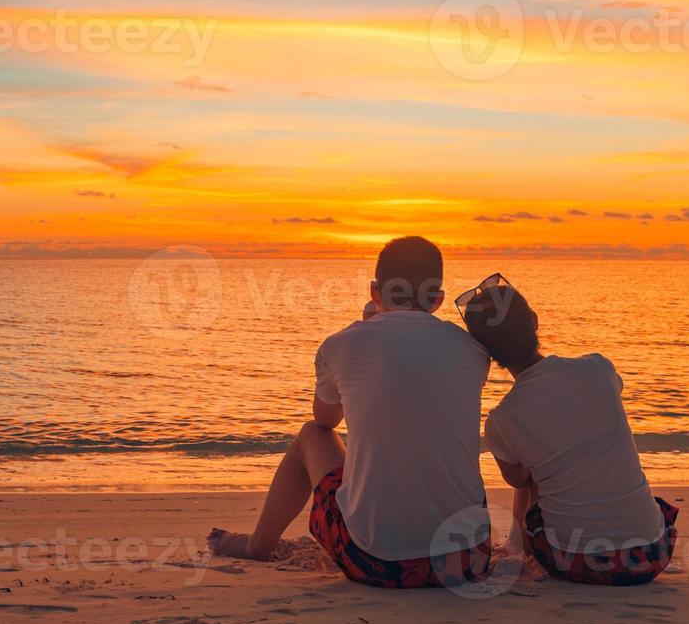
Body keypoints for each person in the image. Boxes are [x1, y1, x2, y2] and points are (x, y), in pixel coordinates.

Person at [210, 236, 494, 588]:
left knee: (310, 437)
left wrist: (363, 329)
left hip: (375, 563)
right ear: (437, 298)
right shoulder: (473, 349)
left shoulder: (342, 345)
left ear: (375, 291)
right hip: (468, 559)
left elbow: (326, 420)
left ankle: (257, 545)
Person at [457, 274, 678, 586]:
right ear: (534, 321)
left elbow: (519, 480)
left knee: (530, 464)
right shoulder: (598, 369)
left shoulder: (502, 420)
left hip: (576, 560)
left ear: (488, 354)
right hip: (652, 553)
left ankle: (515, 546)